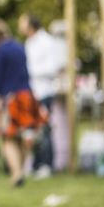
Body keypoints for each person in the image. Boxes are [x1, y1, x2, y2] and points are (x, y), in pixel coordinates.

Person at [0, 17, 46, 187]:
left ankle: (17, 173)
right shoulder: (20, 46)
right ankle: (20, 171)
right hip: (26, 94)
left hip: (10, 98)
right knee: (21, 136)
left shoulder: (1, 51)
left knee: (6, 138)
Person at [18, 13, 65, 178]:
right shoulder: (29, 42)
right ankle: (37, 164)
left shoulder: (47, 41)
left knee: (44, 129)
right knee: (33, 130)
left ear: (30, 24)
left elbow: (53, 68)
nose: (19, 25)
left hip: (44, 91)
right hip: (31, 92)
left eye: (22, 22)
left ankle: (47, 164)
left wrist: (29, 71)